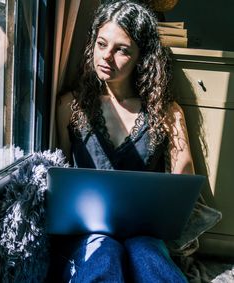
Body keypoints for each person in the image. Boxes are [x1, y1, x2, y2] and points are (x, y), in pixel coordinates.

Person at [51, 0, 194, 282]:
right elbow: (62, 175)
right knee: (103, 254)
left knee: (146, 255)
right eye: (101, 44)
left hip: (146, 233)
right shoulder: (69, 106)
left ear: (142, 56)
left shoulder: (167, 112)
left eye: (122, 50)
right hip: (89, 233)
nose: (106, 56)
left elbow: (184, 179)